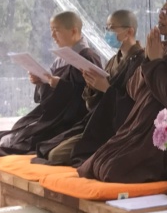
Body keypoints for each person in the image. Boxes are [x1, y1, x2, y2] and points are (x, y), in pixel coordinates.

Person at [77, 0, 167, 183]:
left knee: (111, 169)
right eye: (161, 11)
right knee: (95, 163)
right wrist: (149, 60)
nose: (161, 16)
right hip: (140, 125)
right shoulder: (160, 48)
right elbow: (133, 90)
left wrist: (156, 62)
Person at [34, 10, 145, 166]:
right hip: (97, 121)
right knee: (46, 147)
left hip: (118, 129)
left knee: (55, 155)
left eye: (112, 28)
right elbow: (92, 104)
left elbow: (137, 106)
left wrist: (107, 89)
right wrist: (92, 87)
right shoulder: (114, 60)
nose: (107, 33)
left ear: (129, 31)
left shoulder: (141, 62)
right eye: (106, 28)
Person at [0, 11, 103, 157]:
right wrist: (41, 82)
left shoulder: (88, 56)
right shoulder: (62, 57)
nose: (53, 36)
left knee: (31, 139)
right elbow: (47, 95)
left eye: (56, 31)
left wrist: (59, 84)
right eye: (51, 31)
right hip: (54, 114)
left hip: (71, 120)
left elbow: (87, 98)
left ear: (73, 31)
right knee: (16, 131)